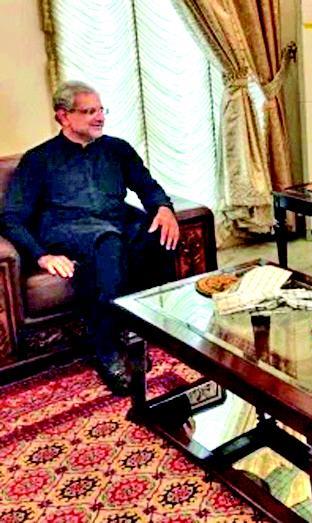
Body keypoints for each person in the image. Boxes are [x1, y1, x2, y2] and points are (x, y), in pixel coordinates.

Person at [0, 80, 180, 395]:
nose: (99, 117)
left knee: (156, 235)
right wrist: (42, 255)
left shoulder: (117, 149)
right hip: (67, 228)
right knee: (108, 242)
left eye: (100, 110)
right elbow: (11, 217)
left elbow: (147, 186)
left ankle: (148, 328)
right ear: (63, 117)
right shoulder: (38, 160)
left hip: (115, 221)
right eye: (88, 112)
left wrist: (163, 208)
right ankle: (107, 348)